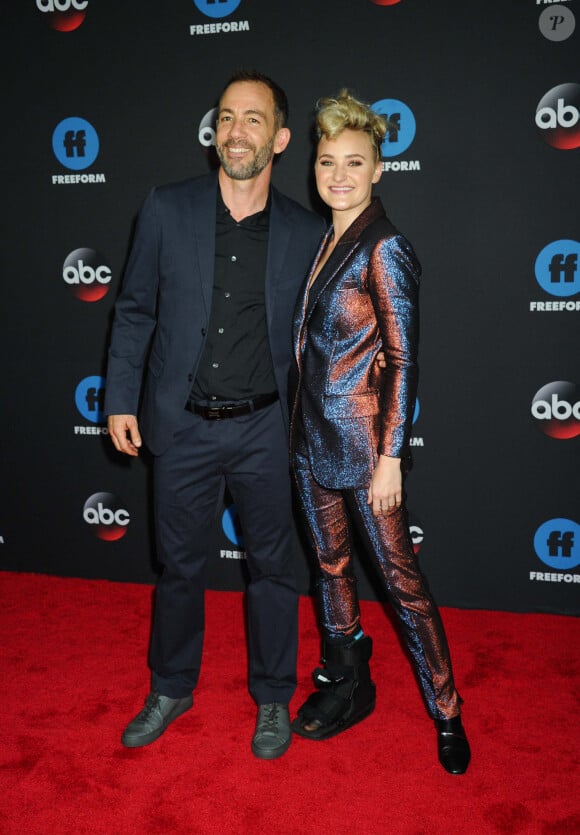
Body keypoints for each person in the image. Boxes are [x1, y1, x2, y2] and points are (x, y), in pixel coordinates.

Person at [105, 70, 326, 760]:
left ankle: (271, 698)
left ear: (281, 138)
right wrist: (119, 396)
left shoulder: (305, 231)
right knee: (178, 566)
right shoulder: (167, 210)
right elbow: (135, 309)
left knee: (273, 569)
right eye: (227, 117)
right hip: (184, 423)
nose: (236, 131)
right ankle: (171, 685)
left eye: (254, 120)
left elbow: (322, 339)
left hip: (266, 426)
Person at [289, 90, 471, 775]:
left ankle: (447, 709)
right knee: (330, 568)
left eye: (354, 161)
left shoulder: (386, 245)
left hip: (367, 451)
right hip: (308, 441)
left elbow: (404, 358)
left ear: (378, 169)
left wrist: (392, 456)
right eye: (328, 160)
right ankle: (346, 677)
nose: (338, 174)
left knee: (403, 584)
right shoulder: (324, 238)